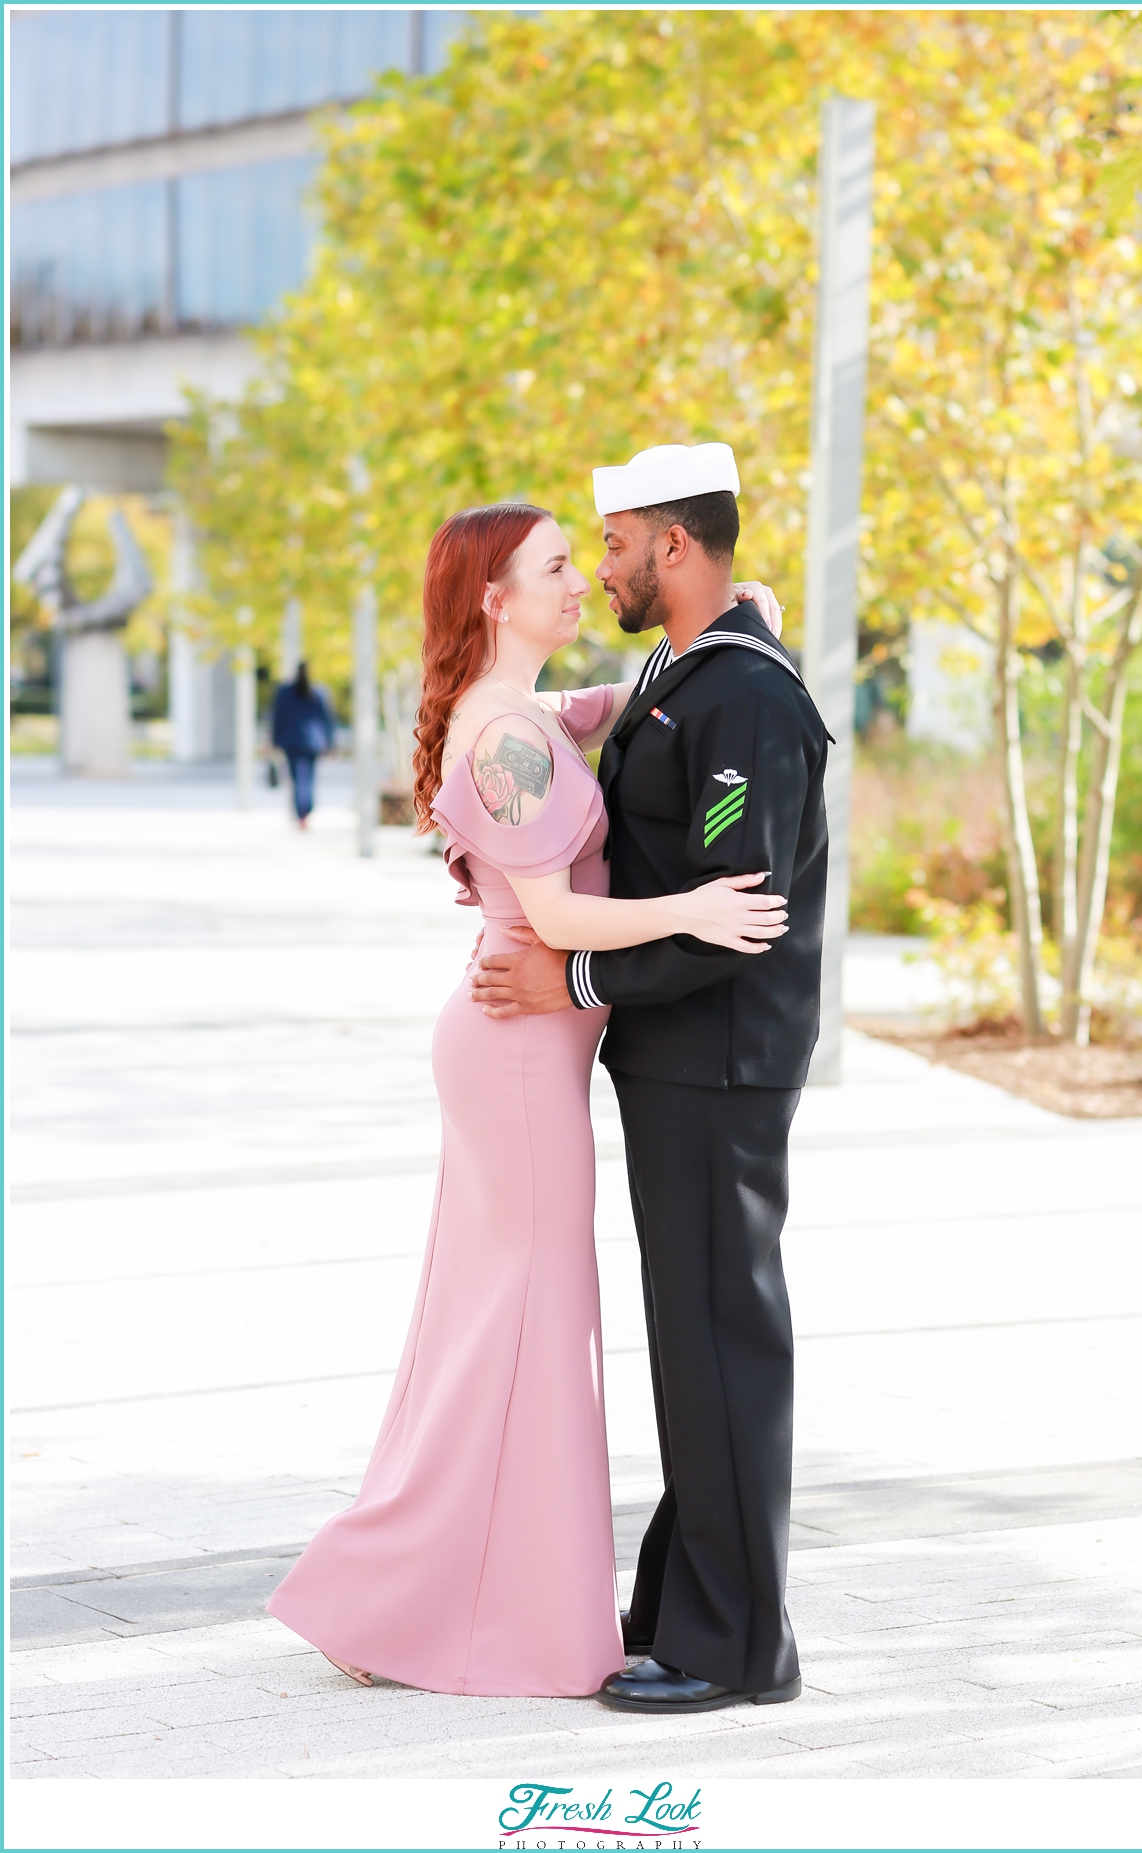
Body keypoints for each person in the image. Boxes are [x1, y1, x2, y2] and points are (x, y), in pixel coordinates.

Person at [266, 501, 788, 1697]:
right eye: (555, 565)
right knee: (528, 1331)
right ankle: (429, 1599)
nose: (578, 579)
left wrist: (733, 626)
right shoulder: (497, 737)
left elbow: (606, 704)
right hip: (517, 1056)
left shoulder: (517, 712)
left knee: (500, 1325)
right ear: (496, 599)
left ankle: (409, 1589)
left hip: (522, 1048)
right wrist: (690, 909)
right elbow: (553, 919)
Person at [471, 443, 832, 1714]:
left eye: (616, 545)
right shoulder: (690, 671)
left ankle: (740, 1648)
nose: (605, 565)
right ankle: (686, 1609)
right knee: (699, 1342)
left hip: (721, 1062)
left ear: (675, 546)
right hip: (684, 1060)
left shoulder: (743, 698)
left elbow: (738, 909)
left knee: (725, 1339)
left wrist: (575, 984)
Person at [271, 662, 335, 827]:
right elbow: (327, 719)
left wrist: (275, 740)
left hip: (291, 741)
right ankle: (305, 811)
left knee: (297, 778)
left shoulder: (285, 693)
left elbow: (278, 718)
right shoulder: (318, 692)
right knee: (308, 778)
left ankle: (302, 813)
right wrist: (330, 741)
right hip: (312, 742)